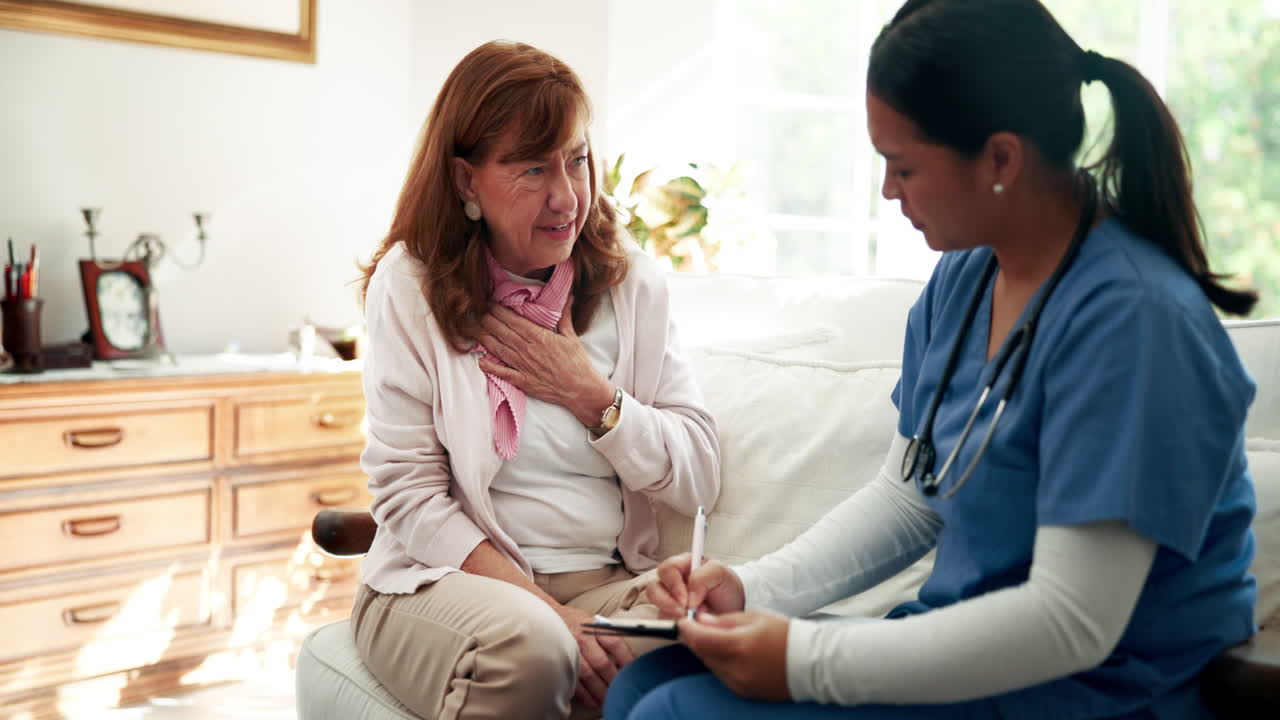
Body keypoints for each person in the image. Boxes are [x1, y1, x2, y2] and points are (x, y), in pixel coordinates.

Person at [605, 1, 1259, 718]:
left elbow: (1073, 622)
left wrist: (803, 661)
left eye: (903, 165)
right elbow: (910, 498)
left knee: (674, 713)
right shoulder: (967, 276)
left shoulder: (1135, 323)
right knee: (648, 678)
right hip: (978, 661)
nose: (888, 191)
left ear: (1001, 159)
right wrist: (749, 589)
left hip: (1095, 691)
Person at [352, 40, 720, 720]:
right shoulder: (411, 283)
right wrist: (552, 617)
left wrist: (592, 396)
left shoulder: (631, 283)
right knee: (535, 649)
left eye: (577, 160)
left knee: (711, 630)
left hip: (597, 583)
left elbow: (698, 471)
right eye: (531, 169)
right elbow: (408, 495)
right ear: (466, 181)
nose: (566, 196)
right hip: (442, 580)